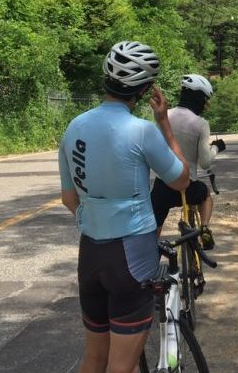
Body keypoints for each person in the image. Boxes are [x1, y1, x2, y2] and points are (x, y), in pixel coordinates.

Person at [58, 40, 191, 373]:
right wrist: (164, 123)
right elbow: (181, 180)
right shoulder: (143, 131)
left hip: (90, 253)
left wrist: (95, 221)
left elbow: (69, 198)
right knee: (122, 365)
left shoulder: (74, 127)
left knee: (94, 358)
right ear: (145, 89)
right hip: (132, 255)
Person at [150, 73, 226, 250]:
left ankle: (149, 257)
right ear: (199, 98)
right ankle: (205, 227)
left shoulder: (164, 116)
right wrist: (216, 148)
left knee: (153, 230)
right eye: (205, 100)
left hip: (163, 185)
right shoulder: (200, 123)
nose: (206, 105)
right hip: (188, 186)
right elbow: (205, 162)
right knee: (206, 195)